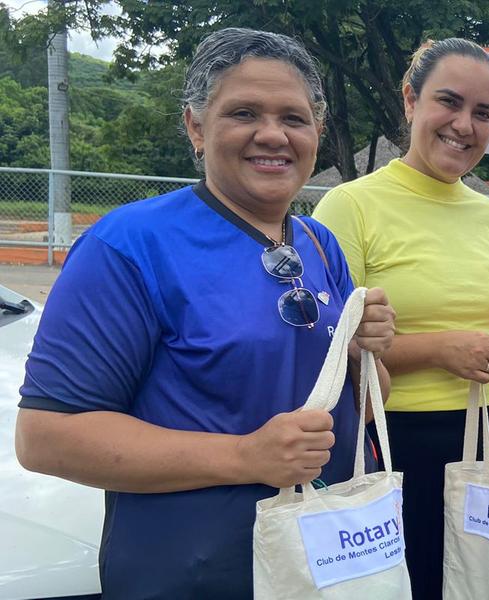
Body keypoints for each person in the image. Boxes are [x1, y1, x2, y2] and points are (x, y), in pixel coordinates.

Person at [12, 28, 396, 598]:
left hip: (327, 564)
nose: (273, 134)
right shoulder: (131, 245)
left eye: (293, 117)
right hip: (193, 570)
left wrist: (367, 355)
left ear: (316, 131)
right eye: (244, 112)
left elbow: (361, 409)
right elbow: (46, 436)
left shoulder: (319, 245)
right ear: (196, 125)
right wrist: (246, 457)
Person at [312, 38, 489, 600]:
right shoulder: (350, 206)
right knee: (402, 585)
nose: (465, 125)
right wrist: (441, 350)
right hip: (392, 437)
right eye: (450, 102)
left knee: (488, 584)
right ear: (411, 100)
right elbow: (326, 345)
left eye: (484, 113)